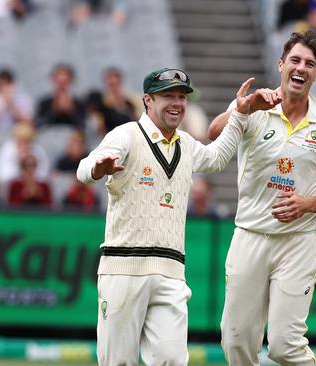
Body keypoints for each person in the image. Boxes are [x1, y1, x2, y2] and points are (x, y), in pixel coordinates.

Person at [76, 67, 248, 366]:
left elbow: (218, 157)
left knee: (171, 360)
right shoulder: (127, 135)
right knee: (117, 362)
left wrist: (240, 114)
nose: (177, 103)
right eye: (168, 95)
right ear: (147, 100)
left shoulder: (186, 143)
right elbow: (84, 169)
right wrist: (97, 169)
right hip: (123, 269)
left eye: (182, 97)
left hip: (171, 272)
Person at [207, 30, 316, 365]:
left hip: (297, 242)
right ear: (281, 65)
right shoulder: (254, 106)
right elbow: (214, 134)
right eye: (295, 60)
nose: (301, 68)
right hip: (250, 235)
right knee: (236, 341)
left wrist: (310, 203)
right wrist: (244, 110)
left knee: (285, 345)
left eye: (310, 64)